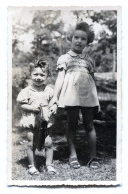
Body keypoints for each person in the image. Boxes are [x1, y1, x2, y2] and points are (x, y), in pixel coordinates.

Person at [49, 22, 100, 169]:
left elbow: (92, 81)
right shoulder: (64, 58)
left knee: (89, 125)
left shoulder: (89, 60)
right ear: (70, 38)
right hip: (71, 95)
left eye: (83, 39)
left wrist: (97, 101)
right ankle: (73, 156)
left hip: (87, 96)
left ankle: (93, 157)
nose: (79, 41)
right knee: (72, 125)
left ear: (88, 41)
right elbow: (60, 78)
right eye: (76, 37)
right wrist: (55, 96)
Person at [17, 57, 57, 175]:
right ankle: (31, 165)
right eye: (35, 74)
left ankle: (49, 165)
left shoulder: (49, 90)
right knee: (31, 143)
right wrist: (32, 108)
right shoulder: (26, 91)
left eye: (42, 75)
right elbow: (21, 105)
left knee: (48, 143)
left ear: (47, 75)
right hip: (31, 120)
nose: (38, 77)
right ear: (30, 74)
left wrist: (54, 107)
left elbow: (54, 101)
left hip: (45, 120)